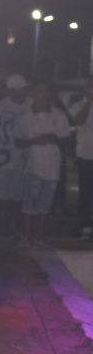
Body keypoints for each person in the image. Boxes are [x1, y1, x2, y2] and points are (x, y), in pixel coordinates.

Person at [15, 81, 71, 244]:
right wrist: (34, 141)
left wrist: (53, 138)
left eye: (46, 91)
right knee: (29, 202)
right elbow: (18, 141)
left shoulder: (58, 115)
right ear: (32, 93)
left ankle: (39, 235)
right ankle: (27, 234)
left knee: (45, 203)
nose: (43, 94)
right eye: (39, 91)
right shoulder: (25, 116)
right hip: (32, 166)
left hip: (52, 166)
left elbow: (66, 139)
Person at [0, 74, 31, 239]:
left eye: (24, 89)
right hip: (3, 157)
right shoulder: (1, 106)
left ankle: (11, 226)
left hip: (23, 158)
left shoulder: (30, 104)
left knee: (17, 197)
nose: (23, 92)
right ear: (12, 91)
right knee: (1, 196)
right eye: (20, 90)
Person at [71, 79, 93, 241]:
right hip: (85, 156)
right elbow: (79, 120)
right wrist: (89, 102)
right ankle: (85, 226)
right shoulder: (78, 105)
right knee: (85, 192)